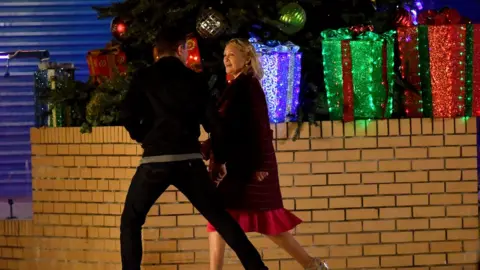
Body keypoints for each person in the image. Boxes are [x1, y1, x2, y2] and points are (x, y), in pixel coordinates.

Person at [119, 29, 269, 270]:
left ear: (156, 52)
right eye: (187, 48)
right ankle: (257, 268)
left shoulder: (144, 78)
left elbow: (126, 114)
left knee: (131, 221)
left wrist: (146, 137)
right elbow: (214, 125)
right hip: (188, 160)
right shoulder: (194, 79)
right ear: (180, 49)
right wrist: (218, 159)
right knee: (220, 217)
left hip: (154, 161)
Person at [201, 39, 329, 270]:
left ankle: (313, 265)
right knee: (221, 219)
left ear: (247, 59)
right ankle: (313, 266)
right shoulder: (237, 86)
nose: (226, 59)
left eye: (231, 54)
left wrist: (262, 167)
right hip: (243, 166)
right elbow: (231, 128)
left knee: (267, 222)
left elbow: (258, 128)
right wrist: (209, 145)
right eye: (224, 55)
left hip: (251, 167)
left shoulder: (248, 86)